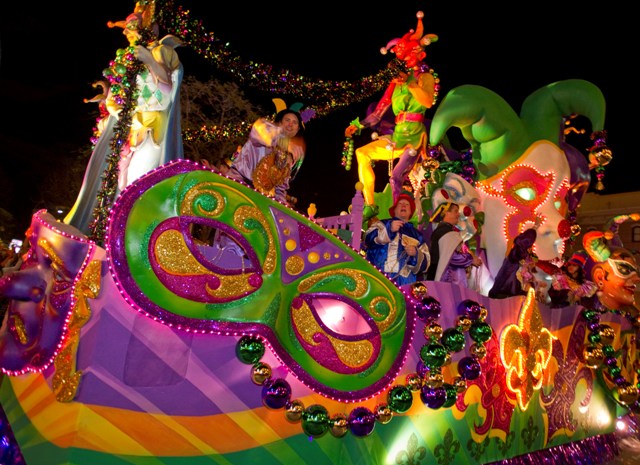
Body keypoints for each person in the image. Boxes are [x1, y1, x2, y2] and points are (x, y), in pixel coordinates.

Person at [64, 1, 183, 236]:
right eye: (126, 28)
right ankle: (113, 240)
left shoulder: (160, 51)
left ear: (149, 27)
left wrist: (150, 62)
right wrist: (113, 104)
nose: (127, 31)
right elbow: (119, 102)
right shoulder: (128, 62)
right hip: (132, 133)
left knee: (136, 186)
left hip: (152, 131)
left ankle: (133, 240)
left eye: (132, 26)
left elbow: (167, 93)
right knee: (120, 186)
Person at [344, 11, 438, 220]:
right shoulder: (395, 83)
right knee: (362, 154)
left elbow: (427, 101)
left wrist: (410, 83)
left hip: (414, 136)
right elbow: (379, 112)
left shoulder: (424, 78)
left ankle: (400, 219)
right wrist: (358, 126)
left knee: (395, 178)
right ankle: (370, 205)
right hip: (398, 135)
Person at [226, 108, 305, 206]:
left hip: (258, 199)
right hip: (237, 184)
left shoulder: (289, 156)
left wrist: (281, 206)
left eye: (294, 122)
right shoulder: (266, 133)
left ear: (297, 130)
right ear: (279, 123)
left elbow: (280, 188)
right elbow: (259, 128)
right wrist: (284, 141)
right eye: (287, 120)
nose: (290, 124)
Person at [363, 192, 430, 285]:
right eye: (400, 203)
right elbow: (367, 239)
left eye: (407, 204)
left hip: (405, 283)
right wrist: (388, 229)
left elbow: (426, 264)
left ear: (411, 212)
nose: (403, 205)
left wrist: (416, 253)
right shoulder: (381, 224)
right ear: (394, 210)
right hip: (378, 278)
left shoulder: (417, 235)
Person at [425, 202, 482, 285]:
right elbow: (452, 257)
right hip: (446, 281)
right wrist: (471, 259)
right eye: (455, 211)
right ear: (446, 213)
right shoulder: (446, 232)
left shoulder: (441, 231)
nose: (458, 214)